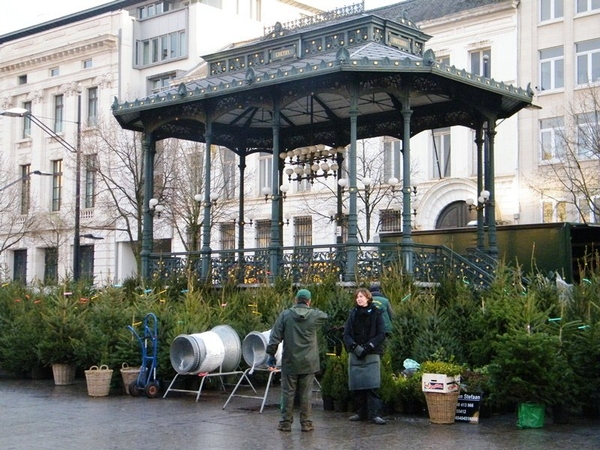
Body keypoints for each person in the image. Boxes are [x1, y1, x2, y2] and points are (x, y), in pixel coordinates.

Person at [266, 288, 328, 432]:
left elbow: (275, 337)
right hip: (309, 362)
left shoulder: (285, 315)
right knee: (306, 393)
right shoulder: (315, 315)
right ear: (309, 301)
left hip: (290, 361)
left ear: (295, 300)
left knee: (288, 392)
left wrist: (271, 356)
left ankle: (285, 423)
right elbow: (325, 316)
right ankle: (306, 423)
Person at [343, 287, 387, 425]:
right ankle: (360, 413)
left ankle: (375, 414)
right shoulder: (353, 314)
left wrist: (368, 347)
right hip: (356, 354)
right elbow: (347, 334)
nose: (359, 299)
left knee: (372, 386)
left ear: (368, 298)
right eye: (357, 297)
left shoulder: (377, 313)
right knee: (358, 386)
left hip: (372, 353)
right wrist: (355, 348)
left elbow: (381, 333)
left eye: (361, 296)